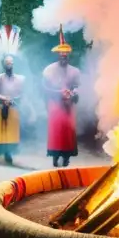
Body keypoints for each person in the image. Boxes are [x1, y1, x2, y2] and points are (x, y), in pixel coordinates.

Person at [44, 26, 81, 168]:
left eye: (66, 55)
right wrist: (58, 93)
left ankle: (66, 157)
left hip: (68, 105)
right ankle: (54, 156)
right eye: (61, 55)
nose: (63, 57)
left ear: (68, 56)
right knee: (55, 131)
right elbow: (44, 87)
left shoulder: (75, 71)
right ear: (58, 55)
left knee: (67, 131)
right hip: (55, 104)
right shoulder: (49, 70)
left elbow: (78, 86)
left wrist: (74, 93)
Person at [0, 25, 25, 165]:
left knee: (10, 132)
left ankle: (8, 153)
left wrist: (13, 100)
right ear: (3, 64)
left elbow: (22, 93)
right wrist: (3, 99)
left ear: (14, 64)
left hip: (13, 107)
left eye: (11, 63)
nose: (9, 65)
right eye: (7, 63)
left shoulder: (20, 79)